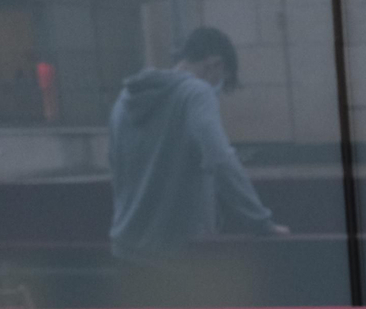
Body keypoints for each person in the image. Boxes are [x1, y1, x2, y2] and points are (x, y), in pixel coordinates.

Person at [108, 26, 288, 264]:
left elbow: (115, 164)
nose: (218, 90)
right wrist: (261, 222)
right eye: (222, 81)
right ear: (215, 64)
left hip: (125, 248)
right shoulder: (195, 93)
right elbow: (221, 159)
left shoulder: (126, 98)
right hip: (176, 253)